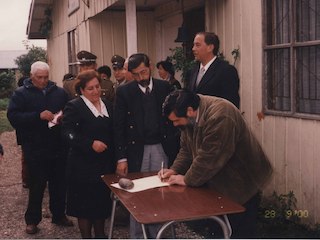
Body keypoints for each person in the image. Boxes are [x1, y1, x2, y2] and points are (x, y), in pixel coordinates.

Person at [160, 89, 273, 238]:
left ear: (189, 111)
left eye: (176, 120)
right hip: (220, 182)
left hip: (243, 182)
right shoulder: (189, 115)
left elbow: (209, 158)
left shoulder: (221, 116)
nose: (174, 125)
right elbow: (186, 150)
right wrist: (174, 170)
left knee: (239, 231)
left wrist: (186, 179)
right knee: (218, 229)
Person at [113, 53, 180, 238]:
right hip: (136, 150)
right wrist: (121, 157)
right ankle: (139, 236)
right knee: (138, 194)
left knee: (163, 191)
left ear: (149, 66)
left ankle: (164, 234)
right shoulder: (124, 92)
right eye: (136, 74)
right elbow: (118, 127)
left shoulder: (165, 87)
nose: (141, 78)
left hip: (161, 147)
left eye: (143, 72)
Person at [7, 61, 73, 235]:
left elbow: (70, 111)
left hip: (58, 146)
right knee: (37, 186)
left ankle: (59, 215)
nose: (43, 81)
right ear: (31, 76)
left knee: (59, 184)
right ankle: (32, 220)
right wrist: (38, 116)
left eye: (46, 77)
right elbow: (13, 117)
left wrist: (62, 117)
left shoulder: (59, 92)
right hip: (35, 148)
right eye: (39, 78)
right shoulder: (21, 94)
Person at [62, 70, 115, 238]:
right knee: (84, 207)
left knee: (100, 204)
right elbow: (67, 133)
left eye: (97, 86)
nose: (95, 91)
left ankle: (100, 235)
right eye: (90, 88)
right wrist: (89, 143)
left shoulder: (107, 104)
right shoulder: (74, 106)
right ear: (82, 90)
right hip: (82, 166)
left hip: (104, 165)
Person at [189, 32, 240, 109]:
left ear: (210, 47)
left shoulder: (226, 70)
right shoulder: (193, 71)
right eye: (194, 45)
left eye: (197, 45)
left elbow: (230, 104)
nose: (193, 49)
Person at [16, 76, 30, 188]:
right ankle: (26, 179)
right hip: (24, 132)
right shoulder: (20, 97)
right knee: (26, 156)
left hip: (23, 133)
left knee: (26, 156)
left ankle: (27, 179)